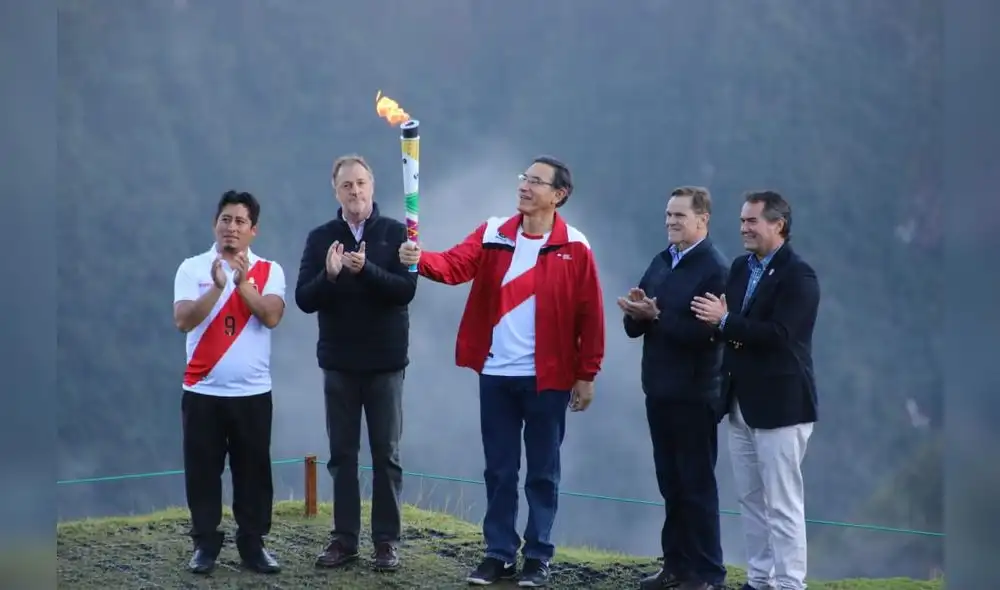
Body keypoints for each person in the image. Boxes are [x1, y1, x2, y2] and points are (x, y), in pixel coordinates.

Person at [399, 155, 605, 587]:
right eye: (523, 178)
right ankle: (498, 552)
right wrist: (418, 258)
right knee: (500, 469)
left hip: (548, 378)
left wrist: (587, 374)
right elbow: (455, 266)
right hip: (497, 374)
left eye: (536, 181)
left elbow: (591, 315)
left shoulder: (575, 247)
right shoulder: (494, 232)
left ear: (559, 195)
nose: (525, 187)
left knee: (543, 471)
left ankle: (537, 556)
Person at [690, 191, 820, 590]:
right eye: (743, 221)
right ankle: (760, 579)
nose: (744, 228)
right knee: (750, 499)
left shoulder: (799, 276)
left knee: (782, 503)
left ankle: (790, 583)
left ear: (778, 224)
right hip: (740, 402)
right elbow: (731, 326)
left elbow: (781, 337)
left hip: (781, 406)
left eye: (753, 221)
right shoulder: (741, 268)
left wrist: (725, 321)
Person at [295, 155, 417, 572]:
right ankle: (344, 539)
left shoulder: (396, 234)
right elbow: (304, 299)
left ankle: (386, 541)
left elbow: (405, 291)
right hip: (339, 363)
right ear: (336, 191)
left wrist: (365, 271)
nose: (355, 191)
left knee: (386, 454)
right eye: (347, 185)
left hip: (385, 363)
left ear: (373, 186)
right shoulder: (320, 239)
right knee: (341, 454)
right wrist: (329, 275)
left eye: (361, 183)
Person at [172, 190, 286, 575]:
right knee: (202, 471)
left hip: (252, 393)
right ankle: (205, 545)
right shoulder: (192, 268)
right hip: (202, 391)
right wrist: (218, 286)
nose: (231, 228)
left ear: (253, 230)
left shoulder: (270, 270)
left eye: (240, 222)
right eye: (225, 220)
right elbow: (183, 319)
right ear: (214, 225)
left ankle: (253, 545)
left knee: (253, 471)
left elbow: (271, 316)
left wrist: (243, 285)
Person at [620, 187, 728, 590]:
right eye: (668, 215)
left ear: (702, 220)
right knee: (670, 483)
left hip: (695, 394)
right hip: (659, 390)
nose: (670, 222)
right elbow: (638, 326)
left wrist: (657, 315)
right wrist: (637, 312)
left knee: (697, 485)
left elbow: (706, 334)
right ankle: (676, 566)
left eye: (679, 216)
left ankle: (708, 573)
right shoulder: (663, 260)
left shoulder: (713, 268)